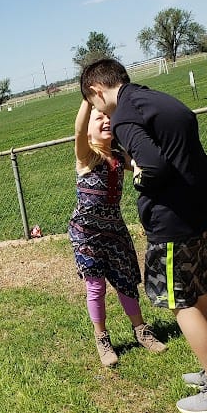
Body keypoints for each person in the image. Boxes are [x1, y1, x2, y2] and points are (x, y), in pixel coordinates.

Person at [79, 58, 207, 413]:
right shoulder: (156, 99)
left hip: (174, 221)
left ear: (97, 91)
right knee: (202, 292)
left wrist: (141, 176)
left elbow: (154, 167)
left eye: (94, 103)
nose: (100, 112)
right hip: (205, 209)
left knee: (180, 300)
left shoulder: (126, 116)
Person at [69, 98, 167, 367]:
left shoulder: (117, 155)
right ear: (89, 128)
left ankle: (141, 331)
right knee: (96, 286)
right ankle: (102, 338)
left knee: (125, 281)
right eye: (98, 118)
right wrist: (87, 99)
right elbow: (78, 130)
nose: (105, 121)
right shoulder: (86, 155)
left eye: (107, 117)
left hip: (114, 230)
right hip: (85, 233)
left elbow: (139, 161)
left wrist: (139, 165)